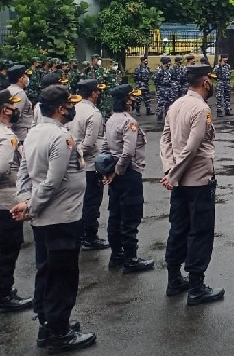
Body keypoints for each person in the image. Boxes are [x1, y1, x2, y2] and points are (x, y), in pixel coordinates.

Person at [12, 85, 97, 353]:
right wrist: (31, 206)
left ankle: (48, 325)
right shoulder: (61, 137)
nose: (72, 108)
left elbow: (23, 175)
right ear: (61, 109)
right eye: (69, 105)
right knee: (62, 276)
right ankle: (59, 334)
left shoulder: (33, 133)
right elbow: (52, 181)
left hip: (43, 218)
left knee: (47, 271)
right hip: (61, 217)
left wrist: (25, 201)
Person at [160, 64, 224, 305]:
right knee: (200, 232)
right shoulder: (201, 108)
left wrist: (169, 169)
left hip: (178, 182)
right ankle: (196, 287)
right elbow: (193, 147)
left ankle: (174, 279)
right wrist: (173, 174)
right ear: (205, 82)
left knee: (178, 229)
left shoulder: (176, 105)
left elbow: (165, 140)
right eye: (211, 80)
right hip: (197, 181)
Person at [101, 84, 156, 274]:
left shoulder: (110, 120)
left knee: (115, 214)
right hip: (128, 173)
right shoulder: (128, 121)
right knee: (130, 215)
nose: (133, 100)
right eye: (131, 98)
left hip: (115, 173)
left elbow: (105, 148)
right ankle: (131, 259)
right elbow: (128, 152)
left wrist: (108, 172)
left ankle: (116, 255)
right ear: (126, 100)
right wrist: (117, 170)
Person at [0, 89, 33, 313]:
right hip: (5, 201)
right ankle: (4, 295)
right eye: (11, 105)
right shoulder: (7, 136)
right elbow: (2, 169)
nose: (15, 109)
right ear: (4, 109)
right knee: (7, 250)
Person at [69, 79, 110, 251]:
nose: (99, 94)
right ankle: (90, 236)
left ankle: (80, 234)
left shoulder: (74, 108)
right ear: (93, 93)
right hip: (90, 164)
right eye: (97, 91)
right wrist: (78, 154)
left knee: (80, 201)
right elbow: (90, 142)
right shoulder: (94, 113)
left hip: (75, 164)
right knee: (92, 202)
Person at [7, 65, 33, 143]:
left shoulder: (8, 90)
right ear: (21, 79)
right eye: (25, 76)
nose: (27, 79)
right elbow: (15, 115)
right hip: (21, 135)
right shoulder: (20, 93)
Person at [153, 56, 174, 122]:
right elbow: (155, 80)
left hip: (168, 89)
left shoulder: (169, 70)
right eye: (168, 62)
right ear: (165, 63)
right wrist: (158, 89)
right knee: (161, 104)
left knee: (168, 104)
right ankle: (159, 117)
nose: (169, 64)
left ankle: (167, 117)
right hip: (161, 89)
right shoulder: (159, 70)